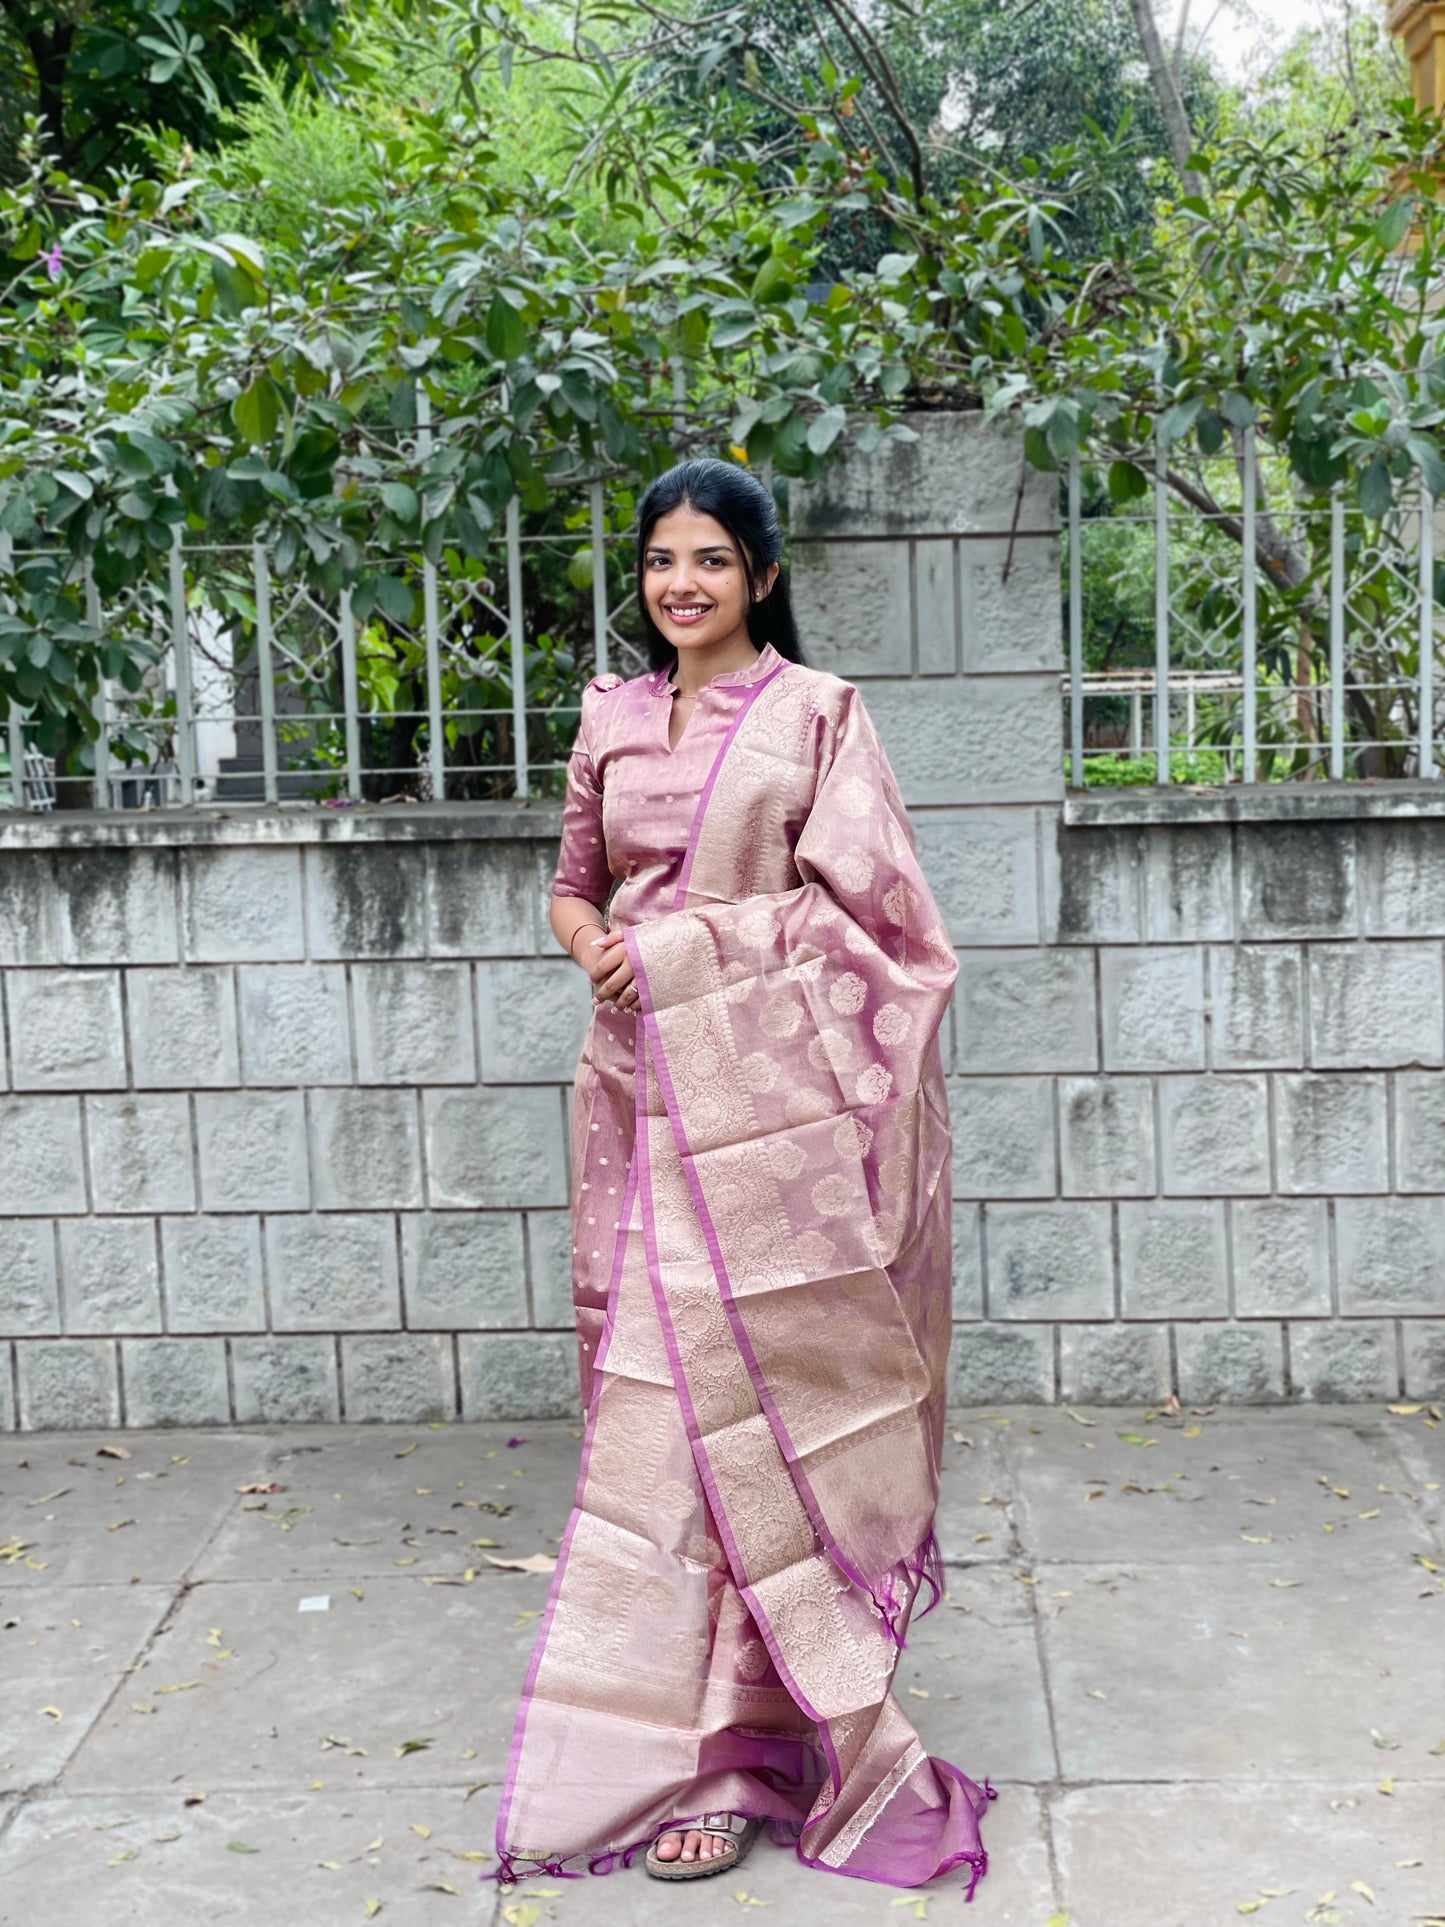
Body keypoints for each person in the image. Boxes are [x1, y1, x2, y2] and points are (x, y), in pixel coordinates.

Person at [494, 456, 995, 1896]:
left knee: (762, 1425)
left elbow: (885, 934)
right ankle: (679, 1744)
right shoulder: (608, 717)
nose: (681, 586)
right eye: (661, 562)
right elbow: (571, 875)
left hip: (767, 1132)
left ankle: (754, 1751)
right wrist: (588, 941)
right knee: (660, 1434)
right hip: (634, 1107)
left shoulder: (818, 718)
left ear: (760, 576)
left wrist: (689, 953)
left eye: (710, 561)